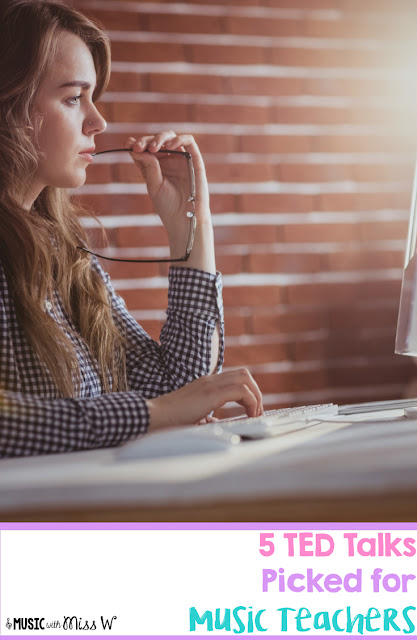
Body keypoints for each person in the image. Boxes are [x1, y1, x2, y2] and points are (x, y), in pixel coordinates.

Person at [0, 0, 263, 457]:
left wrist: (190, 222)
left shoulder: (65, 253)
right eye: (73, 98)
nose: (98, 121)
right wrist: (150, 414)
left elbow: (179, 387)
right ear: (9, 104)